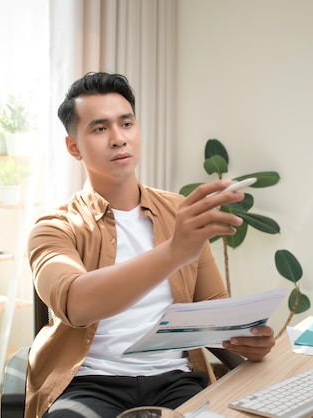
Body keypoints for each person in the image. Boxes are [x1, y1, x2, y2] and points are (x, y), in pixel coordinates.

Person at [26, 72, 276, 418]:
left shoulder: (179, 214)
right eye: (100, 129)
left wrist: (249, 341)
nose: (118, 139)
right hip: (88, 383)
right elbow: (76, 304)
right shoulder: (54, 227)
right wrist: (174, 252)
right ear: (74, 147)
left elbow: (215, 310)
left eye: (126, 123)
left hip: (175, 379)